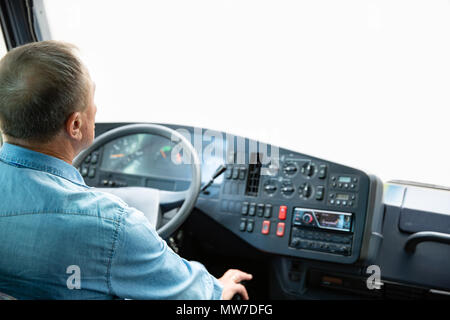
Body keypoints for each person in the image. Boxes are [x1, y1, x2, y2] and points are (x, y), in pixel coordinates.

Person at [0, 41, 252, 300]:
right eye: (91, 99)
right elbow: (193, 295)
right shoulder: (112, 225)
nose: (96, 109)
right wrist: (218, 288)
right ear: (75, 125)